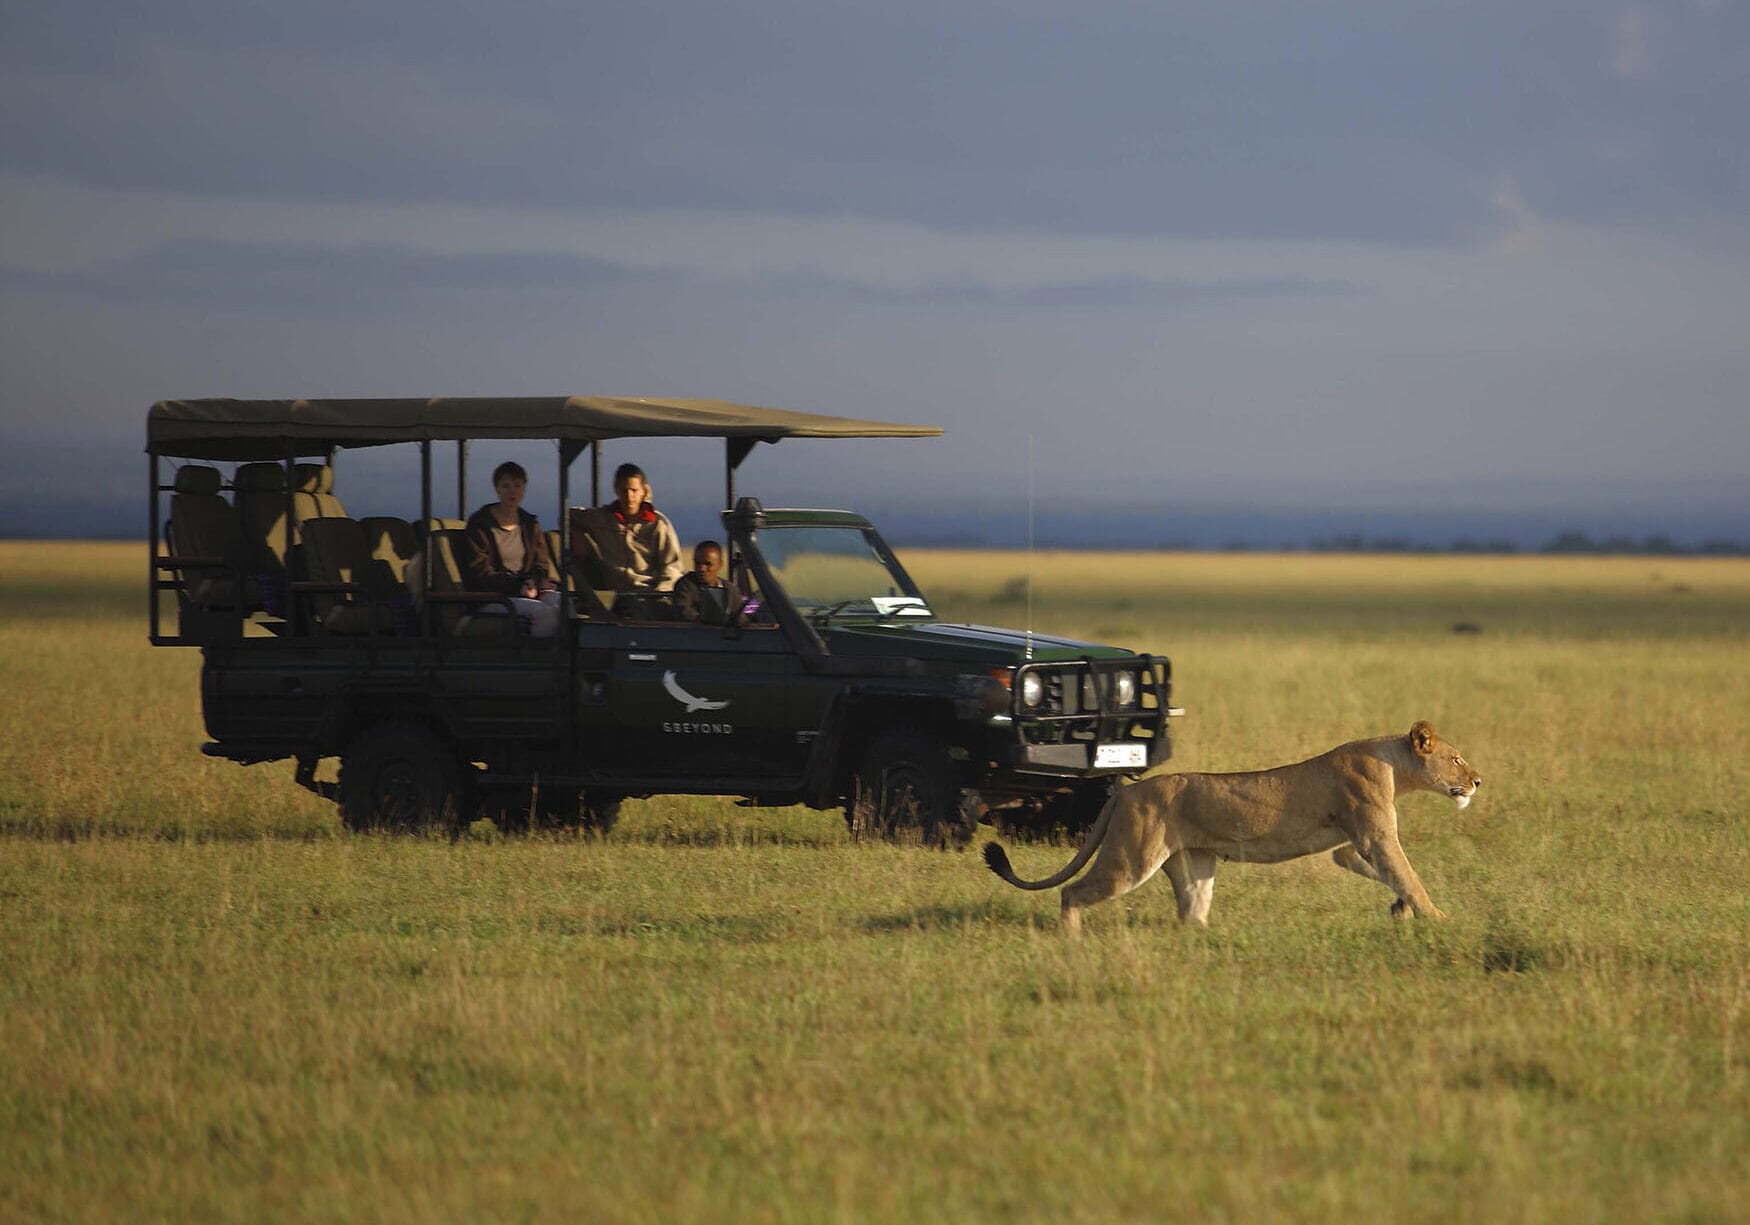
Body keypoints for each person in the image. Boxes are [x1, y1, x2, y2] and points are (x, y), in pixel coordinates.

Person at [462, 460, 562, 636]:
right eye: (506, 486)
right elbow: (481, 572)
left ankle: (572, 658)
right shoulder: (480, 525)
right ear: (497, 489)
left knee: (563, 602)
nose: (512, 492)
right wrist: (517, 586)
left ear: (524, 489)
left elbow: (541, 563)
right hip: (495, 596)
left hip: (526, 590)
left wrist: (538, 581)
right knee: (544, 612)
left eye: (517, 485)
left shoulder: (530, 524)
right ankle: (539, 659)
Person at [570, 462, 683, 591]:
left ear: (644, 491)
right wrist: (577, 534)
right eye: (624, 490)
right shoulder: (603, 518)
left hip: (648, 592)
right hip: (614, 595)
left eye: (634, 490)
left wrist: (661, 594)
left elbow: (672, 568)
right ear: (616, 490)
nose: (629, 497)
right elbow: (568, 515)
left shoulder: (657, 524)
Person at [673, 540, 746, 625]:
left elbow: (741, 618)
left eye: (708, 564)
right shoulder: (686, 586)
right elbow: (684, 612)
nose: (701, 569)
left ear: (720, 564)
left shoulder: (730, 589)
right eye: (698, 563)